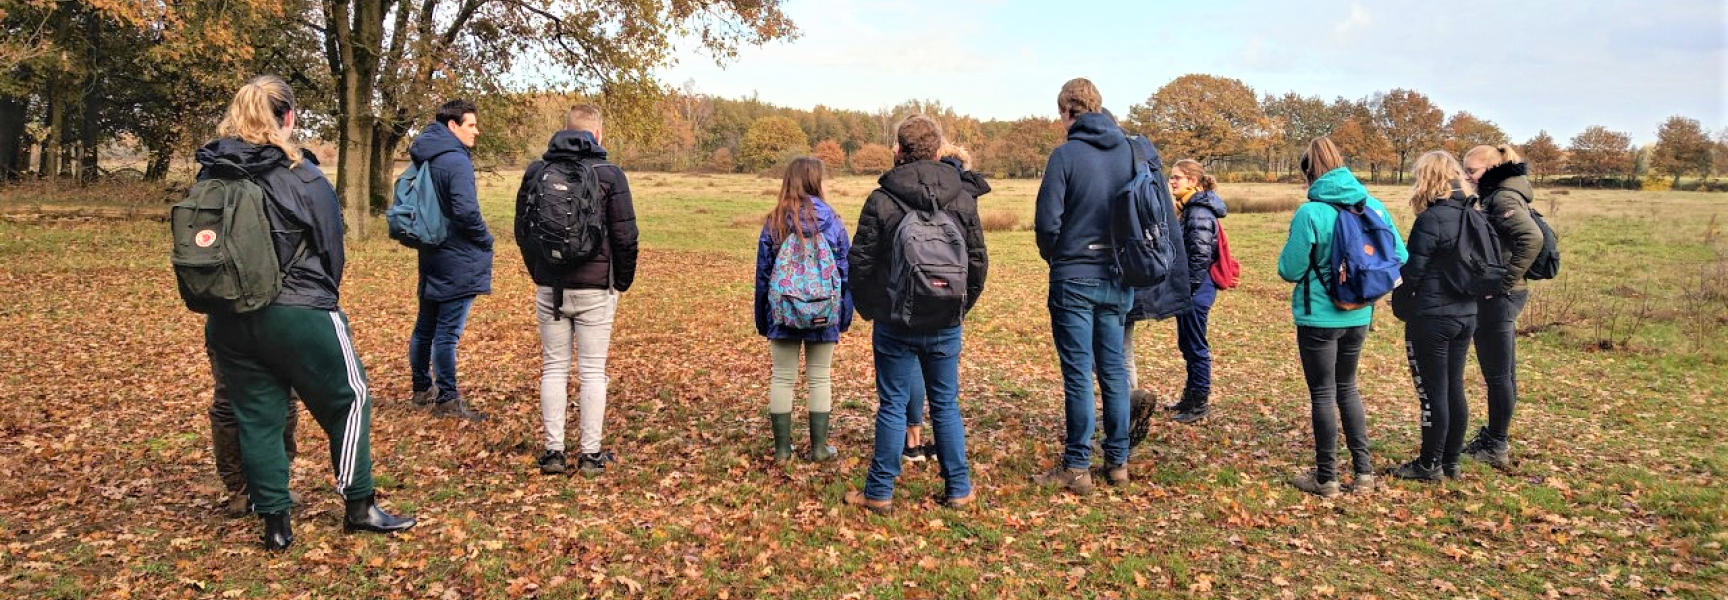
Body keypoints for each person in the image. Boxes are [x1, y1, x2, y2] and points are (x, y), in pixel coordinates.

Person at [197, 75, 414, 549]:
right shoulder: (303, 175)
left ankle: (275, 524)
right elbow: (331, 249)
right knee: (350, 399)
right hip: (299, 309)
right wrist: (319, 298)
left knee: (257, 416)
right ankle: (359, 504)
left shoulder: (213, 173)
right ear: (288, 118)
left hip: (228, 317)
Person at [843, 115, 988, 512]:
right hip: (945, 318)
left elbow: (860, 263)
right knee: (946, 404)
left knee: (892, 403)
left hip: (895, 320)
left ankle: (879, 492)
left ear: (898, 151)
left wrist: (875, 309)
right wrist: (958, 306)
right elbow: (977, 262)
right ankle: (958, 488)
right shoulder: (961, 197)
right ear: (939, 152)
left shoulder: (882, 199)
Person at [1031, 78, 1146, 493]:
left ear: (1067, 112)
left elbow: (1047, 223)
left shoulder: (1065, 157)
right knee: (1113, 369)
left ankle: (1078, 466)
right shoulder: (1131, 153)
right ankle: (1118, 461)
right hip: (1118, 274)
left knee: (1078, 373)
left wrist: (1056, 256)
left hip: (1074, 275)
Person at [1276, 136, 1407, 498]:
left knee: (1322, 393)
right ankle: (1364, 474)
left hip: (1318, 315)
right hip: (1359, 313)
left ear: (1309, 173)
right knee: (1348, 388)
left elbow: (1290, 269)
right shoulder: (1373, 206)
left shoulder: (1311, 213)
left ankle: (1327, 477)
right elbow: (1401, 254)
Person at [515, 104, 639, 476]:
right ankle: (590, 454)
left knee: (553, 368)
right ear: (597, 135)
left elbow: (522, 231)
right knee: (592, 371)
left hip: (550, 287)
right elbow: (626, 235)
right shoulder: (609, 174)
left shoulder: (537, 171)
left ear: (565, 130)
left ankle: (554, 452)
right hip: (595, 289)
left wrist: (538, 271)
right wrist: (622, 281)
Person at [754, 156, 852, 462]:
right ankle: (819, 447)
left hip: (783, 311)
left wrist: (762, 319)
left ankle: (783, 449)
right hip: (824, 311)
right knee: (820, 377)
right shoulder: (833, 222)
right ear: (816, 181)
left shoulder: (774, 221)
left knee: (782, 377)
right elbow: (845, 272)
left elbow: (763, 275)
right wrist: (843, 316)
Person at [1391, 151, 1481, 481]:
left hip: (1432, 315)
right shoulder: (1473, 215)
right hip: (1466, 312)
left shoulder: (1430, 220)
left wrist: (1401, 304)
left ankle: (1429, 464)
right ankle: (1451, 462)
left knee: (1433, 391)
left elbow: (1412, 271)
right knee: (1453, 387)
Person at [904, 144, 993, 463]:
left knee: (912, 363)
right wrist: (965, 300)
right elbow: (977, 256)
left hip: (914, 289)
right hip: (952, 292)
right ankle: (952, 466)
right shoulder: (966, 197)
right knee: (944, 389)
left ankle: (912, 441)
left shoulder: (915, 189)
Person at [1124, 159, 1226, 425]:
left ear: (1193, 181)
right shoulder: (1190, 208)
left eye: (1177, 178)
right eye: (1171, 178)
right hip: (1192, 288)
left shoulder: (1199, 212)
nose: (1172, 182)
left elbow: (1199, 257)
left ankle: (1199, 401)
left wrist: (1186, 289)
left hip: (1197, 289)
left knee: (1196, 345)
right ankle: (1190, 397)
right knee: (1188, 344)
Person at [408, 99, 492, 421]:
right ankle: (447, 397)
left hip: (431, 251)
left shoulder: (425, 156)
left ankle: (421, 388)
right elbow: (466, 212)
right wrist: (485, 239)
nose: (476, 131)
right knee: (447, 332)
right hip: (457, 256)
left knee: (426, 324)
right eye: (471, 125)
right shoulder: (456, 161)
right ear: (452, 127)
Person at [1459, 144, 1542, 469]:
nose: (1468, 177)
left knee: (1498, 374)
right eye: (1465, 171)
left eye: (1472, 171)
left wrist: (1502, 283)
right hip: (1505, 294)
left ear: (1491, 170)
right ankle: (1495, 437)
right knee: (1503, 372)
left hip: (1501, 298)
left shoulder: (1503, 197)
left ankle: (1496, 444)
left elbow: (1531, 239)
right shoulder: (1502, 192)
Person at [207, 351, 299, 515]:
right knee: (228, 403)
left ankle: (275, 484)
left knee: (286, 400)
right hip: (230, 334)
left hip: (282, 332)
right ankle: (239, 490)